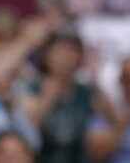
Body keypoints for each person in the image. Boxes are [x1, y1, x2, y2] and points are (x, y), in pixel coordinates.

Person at [19, 28, 94, 163]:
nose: (66, 57)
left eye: (73, 50)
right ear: (47, 55)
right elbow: (26, 132)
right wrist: (48, 97)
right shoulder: (32, 87)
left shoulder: (88, 91)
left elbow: (115, 124)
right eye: (60, 50)